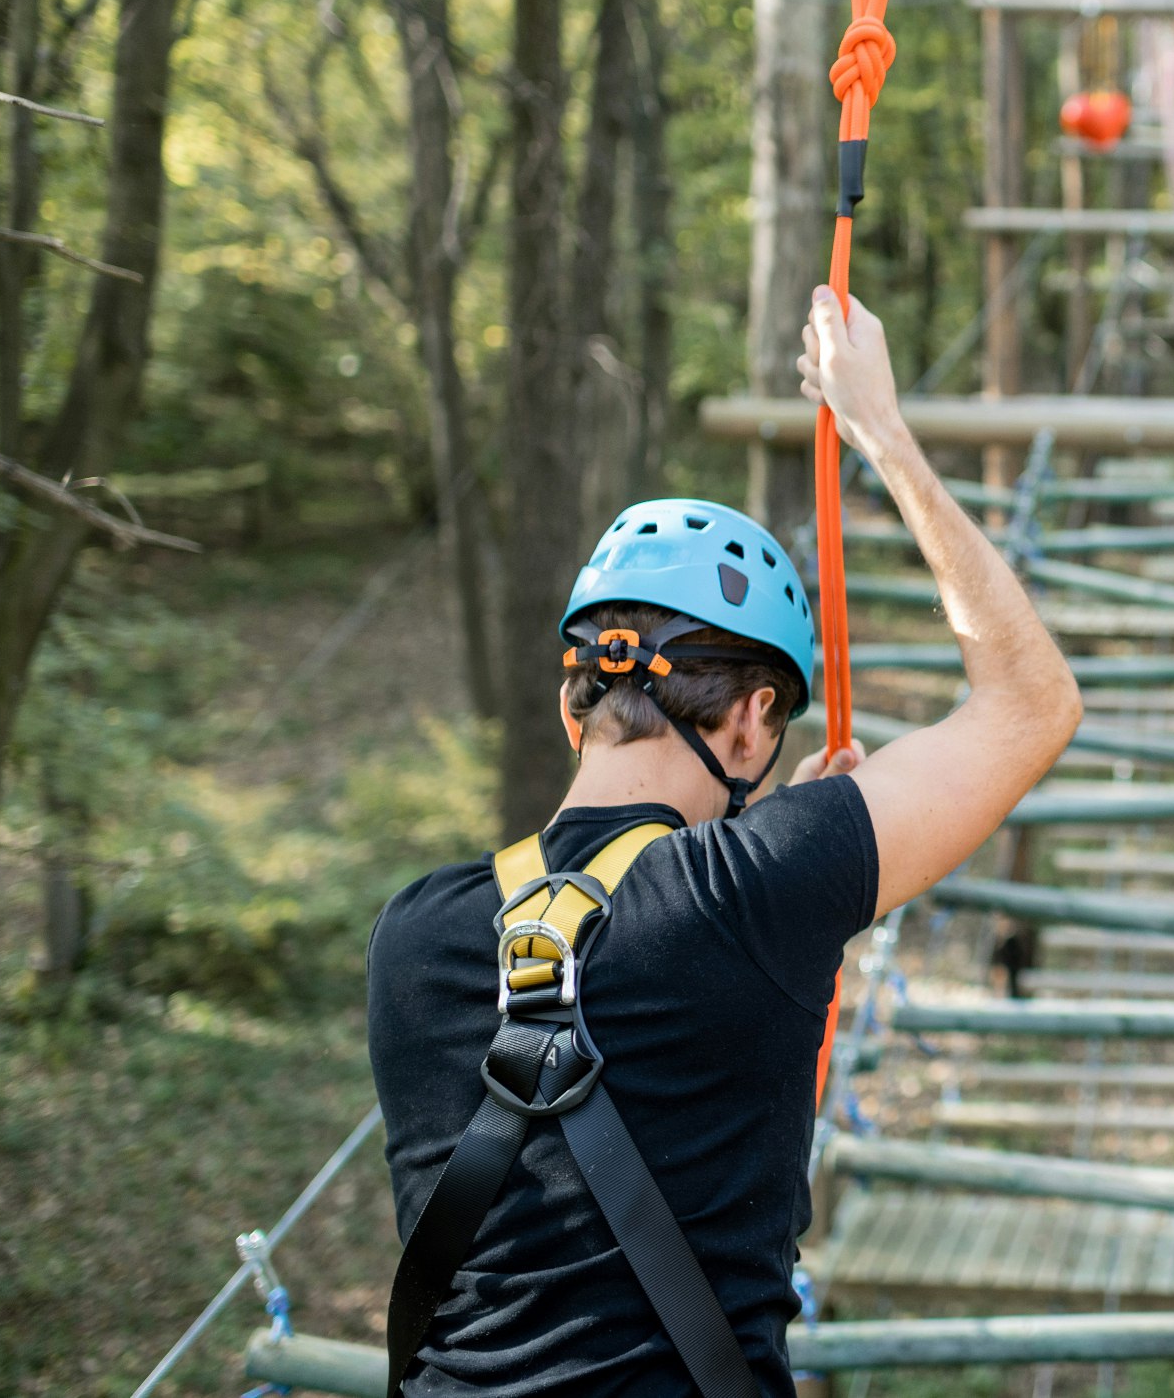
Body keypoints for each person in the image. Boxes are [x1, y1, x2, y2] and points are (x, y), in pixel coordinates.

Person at [366, 284, 1081, 1397]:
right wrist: (881, 431)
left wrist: (778, 837)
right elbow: (1033, 705)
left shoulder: (411, 935)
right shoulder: (759, 888)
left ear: (574, 708)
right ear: (752, 720)